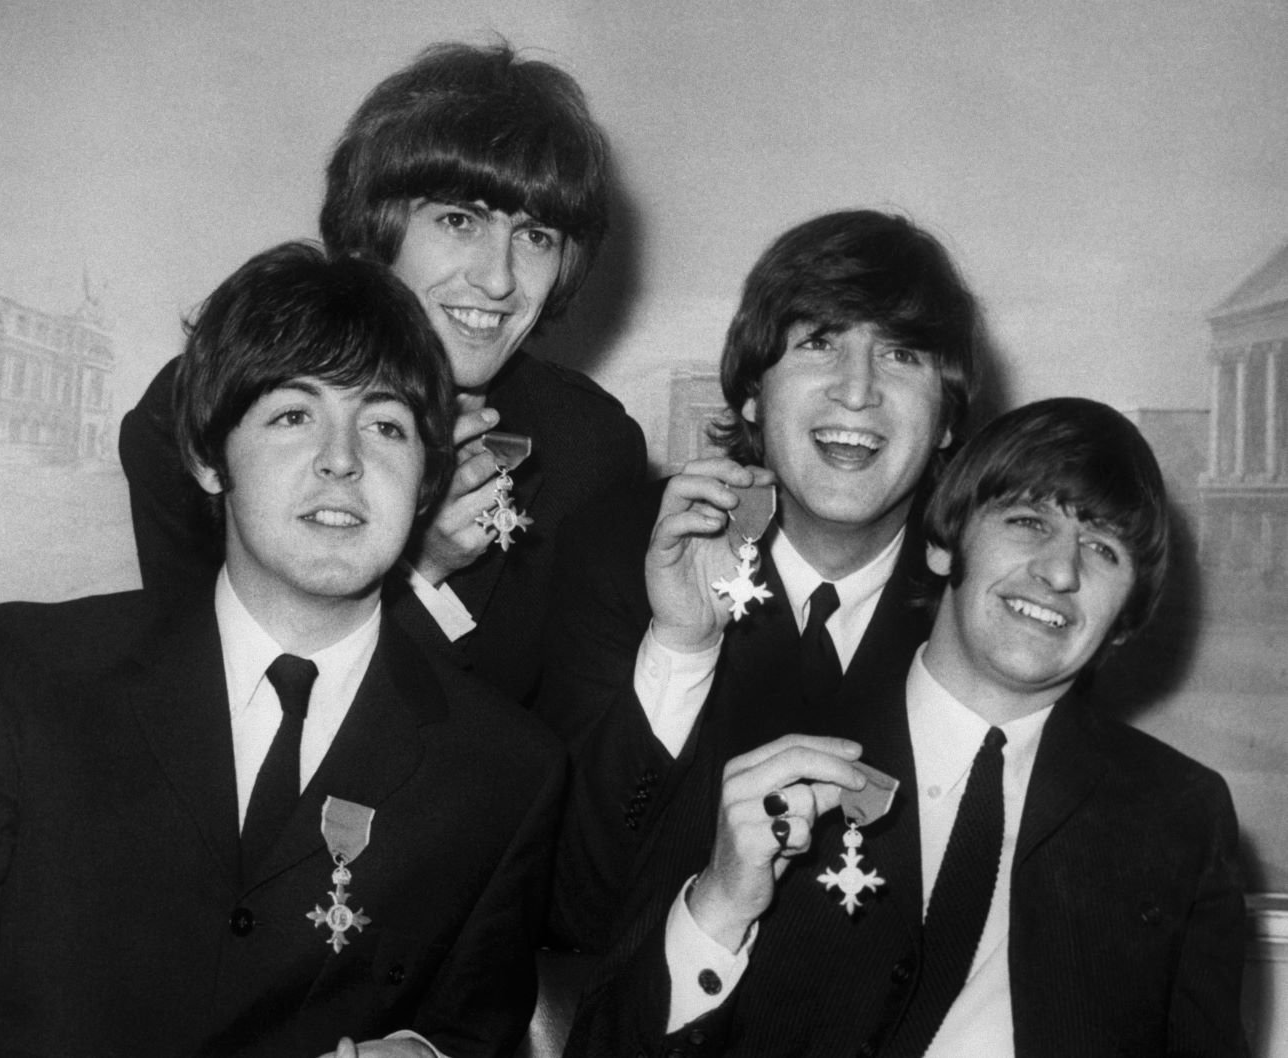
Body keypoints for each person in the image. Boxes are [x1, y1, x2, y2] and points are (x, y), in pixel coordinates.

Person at [0, 243, 564, 1057]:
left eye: (387, 426)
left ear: (430, 478)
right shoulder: (24, 676)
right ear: (207, 456)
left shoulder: (507, 773)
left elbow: (475, 1030)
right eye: (294, 416)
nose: (343, 459)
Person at [566, 398, 1247, 1057]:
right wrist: (717, 911)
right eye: (1028, 523)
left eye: (1104, 549)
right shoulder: (758, 746)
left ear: (1125, 619)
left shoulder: (1179, 818)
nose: (1061, 571)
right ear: (945, 546)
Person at [120, 41, 647, 705]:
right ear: (377, 226)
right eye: (460, 220)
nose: (498, 278)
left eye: (536, 236)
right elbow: (211, 720)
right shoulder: (204, 410)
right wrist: (416, 569)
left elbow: (562, 763)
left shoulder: (590, 449)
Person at [535, 209, 981, 952]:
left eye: (902, 355)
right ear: (749, 394)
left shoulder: (982, 602)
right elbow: (571, 909)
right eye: (818, 343)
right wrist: (680, 650)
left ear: (945, 421)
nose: (857, 391)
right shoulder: (619, 551)